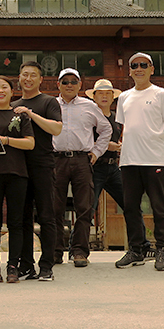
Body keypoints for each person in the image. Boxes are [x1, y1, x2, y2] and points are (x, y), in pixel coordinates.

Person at [1, 61, 62, 282]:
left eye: (32, 75)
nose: (28, 79)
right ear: (19, 77)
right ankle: (27, 265)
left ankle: (47, 265)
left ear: (40, 79)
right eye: (24, 74)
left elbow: (56, 128)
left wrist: (30, 114)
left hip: (43, 164)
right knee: (22, 218)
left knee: (47, 216)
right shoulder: (13, 104)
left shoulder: (48, 101)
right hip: (19, 167)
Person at [115, 53, 164, 271]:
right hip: (129, 161)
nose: (138, 69)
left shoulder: (161, 94)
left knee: (159, 206)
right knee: (130, 207)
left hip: (154, 160)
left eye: (143, 65)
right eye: (134, 66)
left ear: (151, 69)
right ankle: (136, 249)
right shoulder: (124, 97)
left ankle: (162, 250)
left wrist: (160, 149)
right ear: (129, 71)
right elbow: (124, 129)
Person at [86, 79, 153, 259]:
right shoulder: (88, 116)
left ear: (113, 97)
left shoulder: (117, 118)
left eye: (108, 93)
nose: (105, 96)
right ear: (94, 97)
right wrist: (110, 146)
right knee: (87, 208)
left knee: (131, 204)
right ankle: (78, 249)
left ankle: (142, 246)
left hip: (114, 167)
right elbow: (85, 141)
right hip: (94, 168)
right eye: (101, 93)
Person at [51, 69, 111, 268]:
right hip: (56, 159)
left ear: (80, 85)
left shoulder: (90, 106)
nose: (69, 85)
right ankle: (55, 251)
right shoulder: (50, 104)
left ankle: (79, 251)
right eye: (65, 81)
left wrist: (96, 152)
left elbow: (106, 129)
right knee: (54, 208)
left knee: (84, 207)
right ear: (58, 84)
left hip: (81, 160)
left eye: (73, 81)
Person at [0, 76, 35, 283]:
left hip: (17, 173)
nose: (0, 91)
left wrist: (7, 141)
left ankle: (13, 266)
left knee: (16, 222)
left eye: (5, 87)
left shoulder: (20, 115)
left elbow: (30, 143)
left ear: (12, 92)